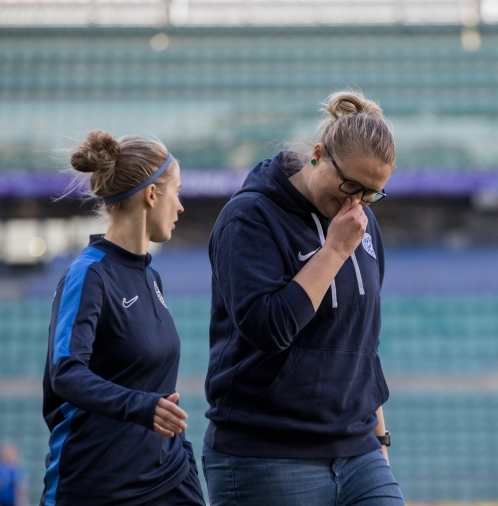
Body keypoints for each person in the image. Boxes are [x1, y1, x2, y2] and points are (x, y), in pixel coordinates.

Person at [203, 90, 404, 506]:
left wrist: (379, 437)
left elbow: (365, 340)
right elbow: (269, 328)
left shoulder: (361, 224)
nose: (355, 203)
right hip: (268, 453)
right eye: (349, 184)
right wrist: (333, 252)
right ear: (318, 154)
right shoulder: (249, 218)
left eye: (370, 194)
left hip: (358, 451)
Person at [41, 131, 204, 506]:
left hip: (168, 477)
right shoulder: (89, 274)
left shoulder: (151, 276)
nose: (180, 207)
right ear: (152, 195)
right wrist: (141, 406)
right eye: (176, 191)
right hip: (98, 486)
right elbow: (65, 372)